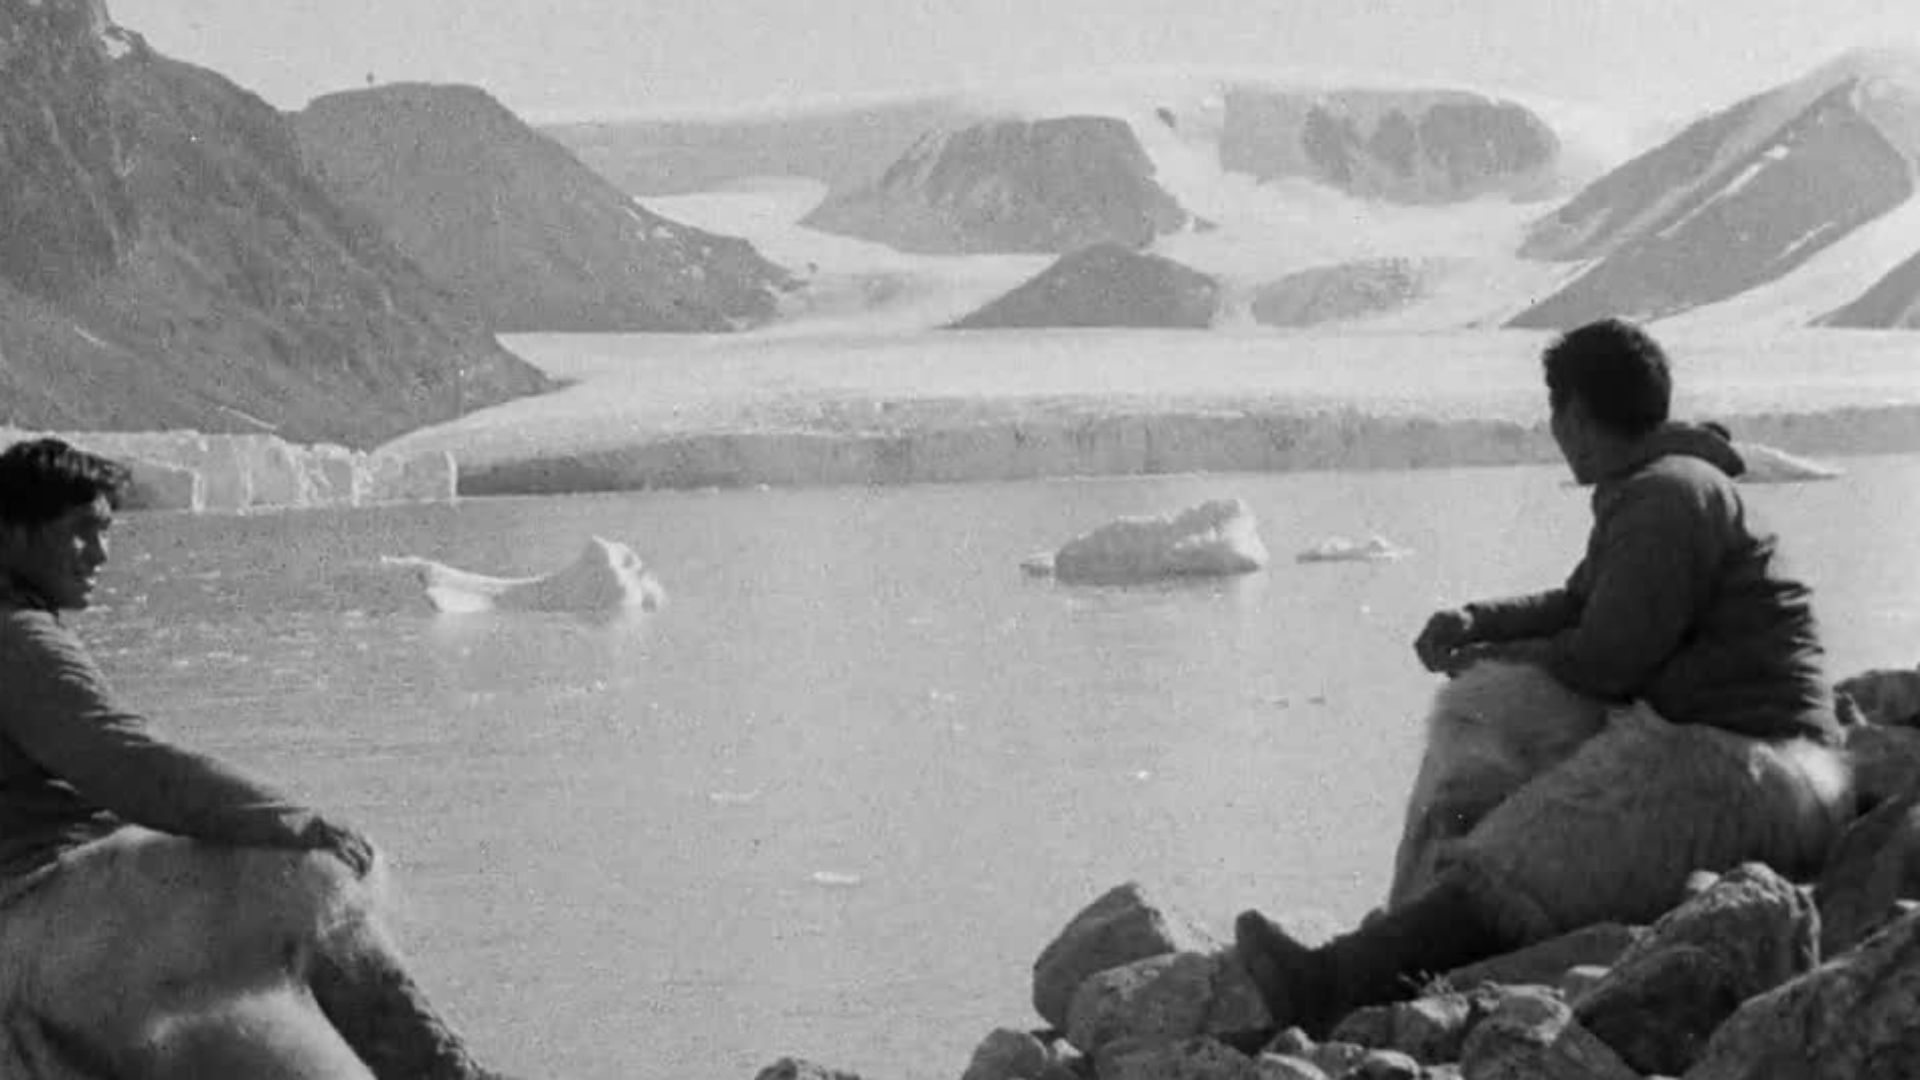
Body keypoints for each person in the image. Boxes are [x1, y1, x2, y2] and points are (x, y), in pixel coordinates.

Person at [1232, 318, 1854, 1037]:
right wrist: (1483, 624)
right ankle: (1406, 927)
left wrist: (1506, 653)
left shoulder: (1665, 498)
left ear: (1577, 415)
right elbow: (1581, 605)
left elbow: (1608, 659)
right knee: (1480, 710)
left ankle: (1344, 981)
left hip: (1760, 769)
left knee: (1531, 842)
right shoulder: (1660, 486)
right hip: (1733, 747)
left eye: (1558, 411)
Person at [0, 436, 510, 1079]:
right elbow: (129, 764)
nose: (100, 552)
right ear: (12, 533)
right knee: (307, 874)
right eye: (79, 531)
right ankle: (444, 1073)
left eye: (105, 531)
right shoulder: (19, 640)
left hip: (45, 941)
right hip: (50, 929)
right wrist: (293, 823)